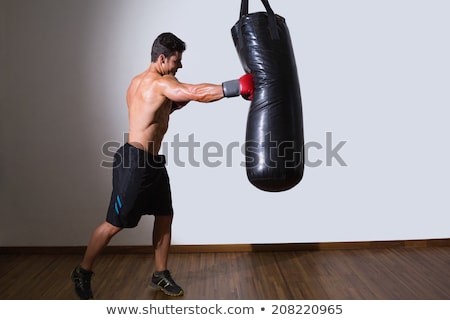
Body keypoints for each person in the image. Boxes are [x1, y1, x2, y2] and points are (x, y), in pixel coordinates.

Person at [71, 32, 254, 299]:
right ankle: (83, 271)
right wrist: (236, 87)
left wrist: (179, 102)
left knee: (164, 215)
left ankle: (160, 273)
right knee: (114, 223)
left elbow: (159, 110)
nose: (179, 66)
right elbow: (193, 92)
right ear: (162, 58)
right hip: (134, 162)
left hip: (153, 162)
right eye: (176, 61)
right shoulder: (156, 83)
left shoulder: (140, 82)